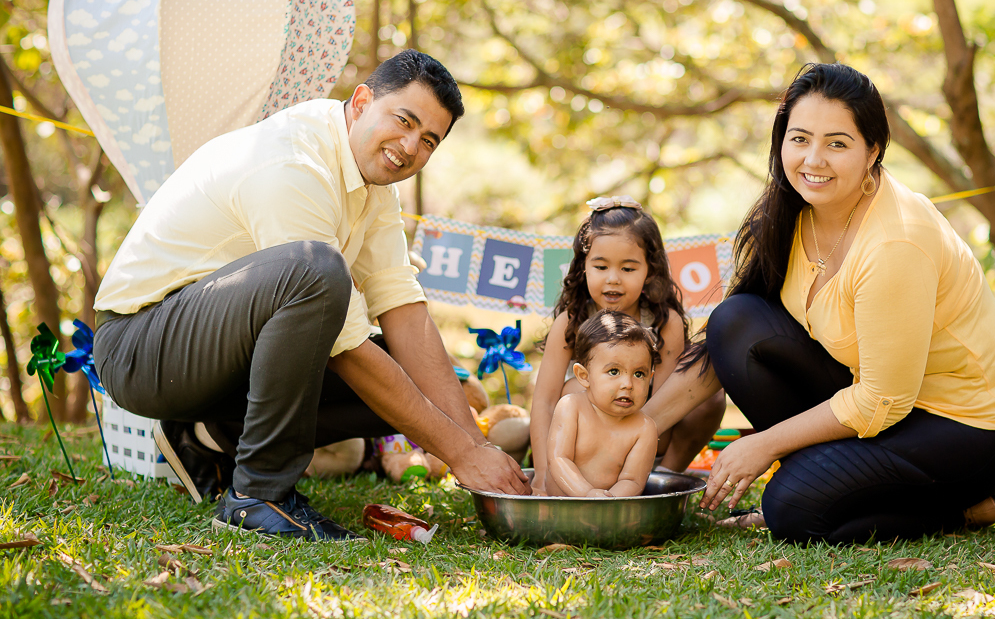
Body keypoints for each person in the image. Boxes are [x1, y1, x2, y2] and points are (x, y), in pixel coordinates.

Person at [92, 50, 529, 542]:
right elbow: (346, 345)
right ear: (361, 102)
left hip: (215, 355)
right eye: (404, 121)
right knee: (316, 272)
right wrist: (462, 453)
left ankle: (210, 438)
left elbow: (404, 311)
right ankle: (258, 495)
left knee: (405, 362)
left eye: (428, 140)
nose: (409, 147)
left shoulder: (374, 185)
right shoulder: (293, 161)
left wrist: (477, 450)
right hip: (140, 347)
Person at [646, 62, 995, 544]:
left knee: (791, 508)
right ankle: (834, 483)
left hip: (967, 428)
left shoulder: (895, 243)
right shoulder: (794, 209)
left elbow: (881, 401)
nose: (814, 159)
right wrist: (642, 427)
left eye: (837, 144)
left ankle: (955, 508)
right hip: (876, 397)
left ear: (873, 151)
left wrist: (765, 445)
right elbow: (727, 344)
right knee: (735, 322)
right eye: (800, 139)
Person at [528, 197, 725, 494]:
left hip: (649, 435)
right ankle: (577, 480)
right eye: (601, 266)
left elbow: (665, 400)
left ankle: (664, 478)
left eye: (628, 269)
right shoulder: (571, 321)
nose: (613, 279)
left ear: (650, 271)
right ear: (583, 267)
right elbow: (544, 402)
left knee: (711, 398)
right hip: (582, 450)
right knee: (573, 390)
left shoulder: (664, 322)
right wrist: (543, 474)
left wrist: (635, 441)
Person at [543, 311, 659, 497]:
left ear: (650, 377)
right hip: (560, 505)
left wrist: (607, 503)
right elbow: (559, 460)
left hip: (607, 505)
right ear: (584, 376)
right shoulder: (571, 407)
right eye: (614, 371)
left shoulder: (644, 428)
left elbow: (632, 480)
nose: (628, 384)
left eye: (639, 374)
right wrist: (587, 493)